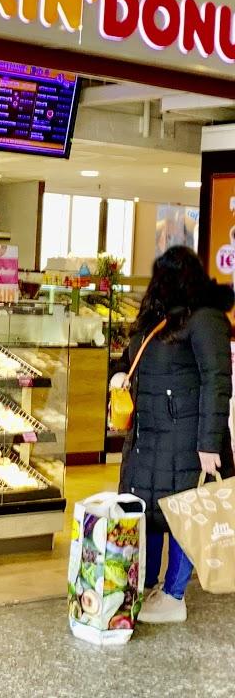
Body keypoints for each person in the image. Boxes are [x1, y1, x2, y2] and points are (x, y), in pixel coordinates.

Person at [115, 247, 232, 624]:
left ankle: (174, 593)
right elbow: (128, 357)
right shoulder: (159, 319)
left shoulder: (205, 319)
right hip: (149, 437)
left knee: (185, 514)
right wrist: (118, 374)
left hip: (185, 440)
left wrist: (209, 444)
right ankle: (151, 585)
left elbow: (217, 381)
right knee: (153, 513)